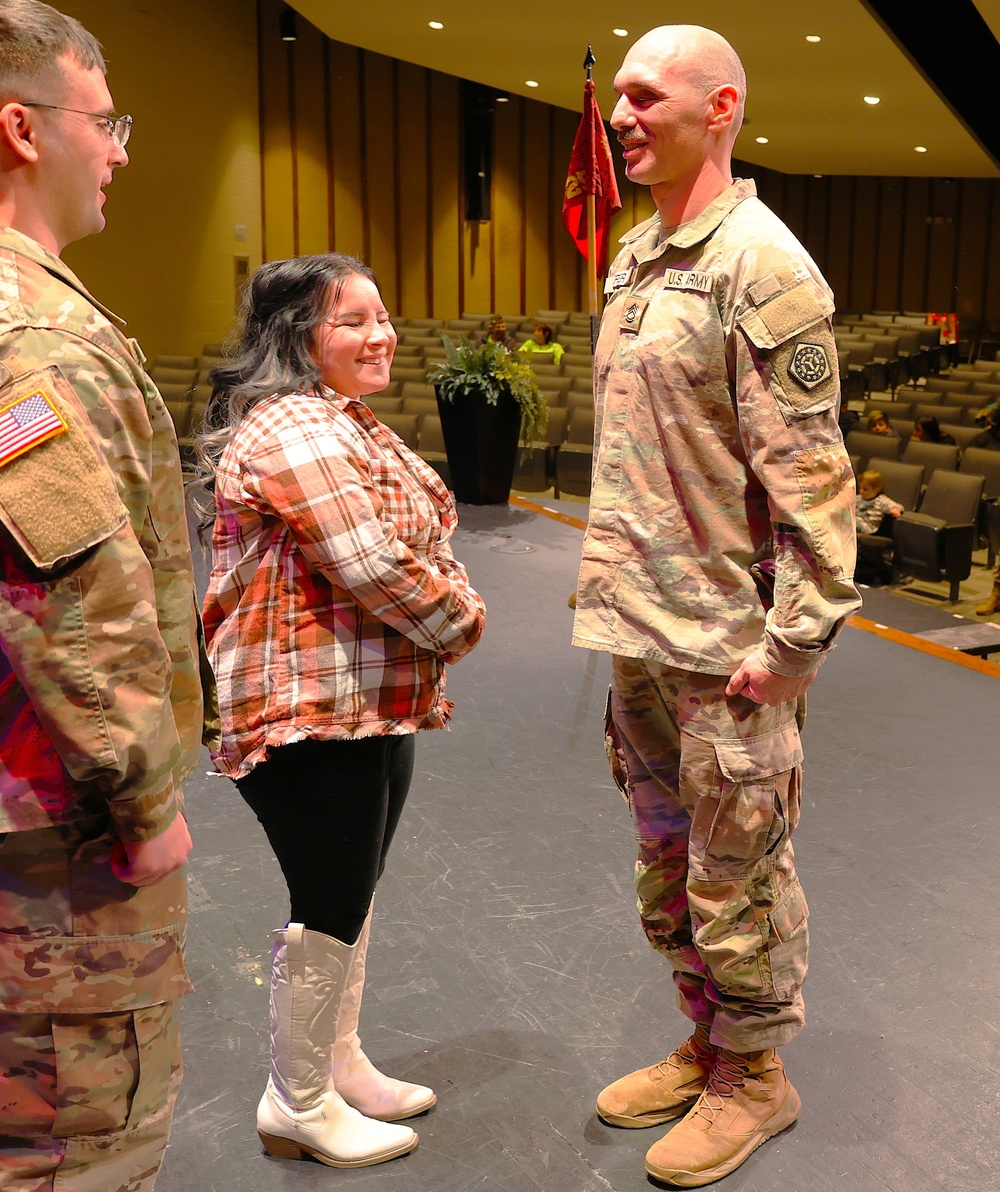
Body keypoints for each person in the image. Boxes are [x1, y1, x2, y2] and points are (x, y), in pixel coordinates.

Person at [571, 25, 861, 1188]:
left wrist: (794, 644)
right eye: (619, 99)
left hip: (727, 647)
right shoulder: (640, 254)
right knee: (667, 867)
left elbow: (813, 478)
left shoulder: (760, 263)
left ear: (721, 107)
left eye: (647, 97)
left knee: (739, 872)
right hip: (642, 633)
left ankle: (756, 1077)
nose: (623, 116)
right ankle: (706, 1039)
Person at [197, 253, 485, 1169]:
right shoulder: (293, 427)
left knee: (350, 889)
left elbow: (408, 535)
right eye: (353, 320)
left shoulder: (339, 419)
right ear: (298, 338)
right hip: (307, 705)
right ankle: (299, 1101)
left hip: (365, 697)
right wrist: (464, 618)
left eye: (383, 315)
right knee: (326, 899)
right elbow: (371, 560)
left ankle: (341, 1063)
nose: (381, 334)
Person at [0, 2, 214, 1187]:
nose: (122, 148)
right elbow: (65, 593)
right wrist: (141, 799)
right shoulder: (31, 336)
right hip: (54, 847)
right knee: (75, 1145)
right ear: (22, 130)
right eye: (106, 119)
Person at [856, 469, 903, 535]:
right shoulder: (858, 498)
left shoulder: (881, 500)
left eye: (865, 489)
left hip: (868, 527)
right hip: (855, 522)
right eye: (860, 488)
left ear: (876, 490)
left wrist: (895, 509)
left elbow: (896, 505)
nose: (861, 491)